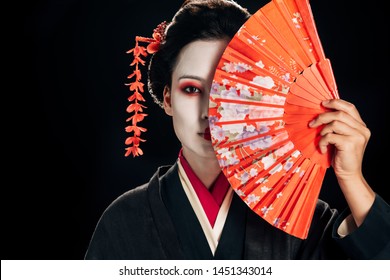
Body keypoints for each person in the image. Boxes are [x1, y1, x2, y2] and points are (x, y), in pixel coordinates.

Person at [85, 0, 390, 259]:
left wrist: (352, 178)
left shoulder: (300, 217)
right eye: (191, 89)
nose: (209, 112)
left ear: (256, 97)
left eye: (227, 90)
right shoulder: (124, 220)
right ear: (167, 99)